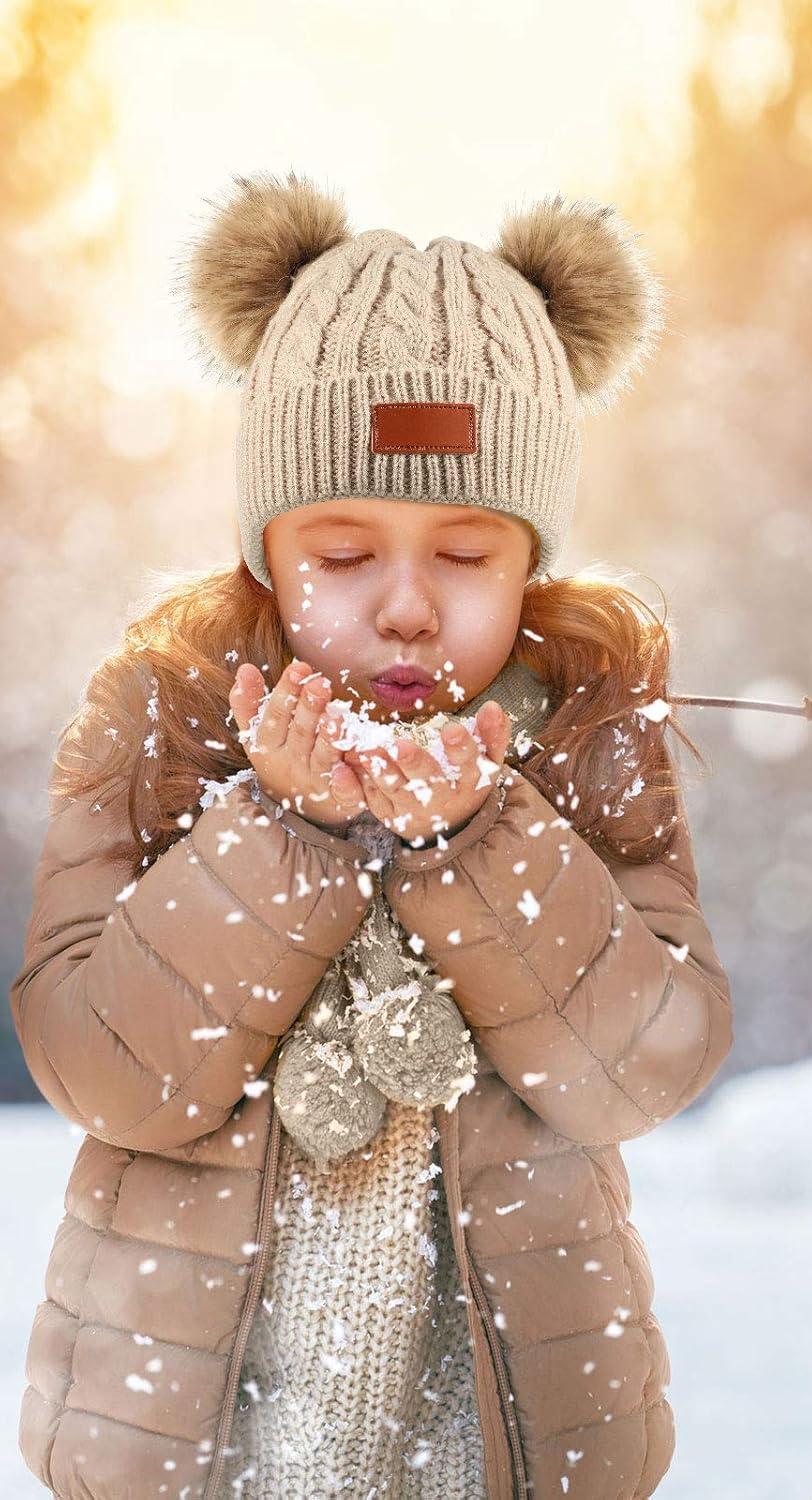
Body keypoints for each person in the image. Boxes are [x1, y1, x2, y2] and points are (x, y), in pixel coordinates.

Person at [11, 170, 734, 1499]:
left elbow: (644, 1064)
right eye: (344, 556)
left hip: (502, 1441)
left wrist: (483, 836)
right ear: (264, 549)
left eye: (466, 556)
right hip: (196, 1443)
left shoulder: (583, 733)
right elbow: (105, 1069)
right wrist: (280, 832)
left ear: (534, 564)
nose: (406, 607)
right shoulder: (161, 720)